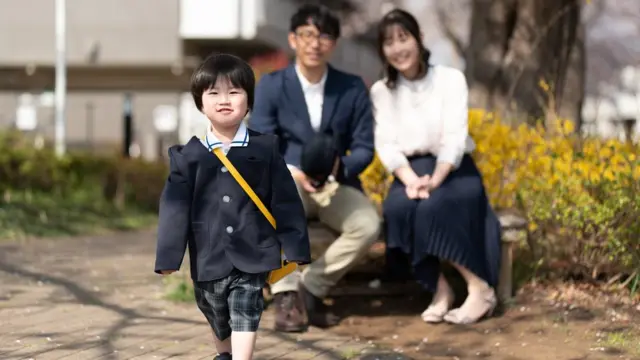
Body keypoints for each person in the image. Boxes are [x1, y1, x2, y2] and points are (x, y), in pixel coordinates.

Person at [154, 53, 311, 360]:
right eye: (213, 93)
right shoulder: (188, 156)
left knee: (246, 306)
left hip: (254, 250)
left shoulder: (265, 149)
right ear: (200, 103)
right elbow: (175, 209)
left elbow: (286, 201)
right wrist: (169, 256)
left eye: (234, 92)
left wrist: (296, 248)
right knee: (213, 308)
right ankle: (224, 354)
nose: (224, 100)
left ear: (248, 101)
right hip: (208, 253)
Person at [250, 4, 381, 332]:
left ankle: (312, 287)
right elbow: (262, 145)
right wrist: (291, 171)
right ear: (293, 39)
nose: (315, 43)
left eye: (324, 36)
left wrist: (339, 168)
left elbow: (365, 146)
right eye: (307, 34)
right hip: (288, 179)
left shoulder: (352, 87)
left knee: (367, 224)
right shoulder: (271, 86)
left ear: (333, 43)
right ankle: (285, 293)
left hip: (336, 184)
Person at [370, 9, 502, 325]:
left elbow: (455, 137)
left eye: (404, 38)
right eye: (389, 42)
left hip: (454, 168)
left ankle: (479, 288)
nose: (398, 48)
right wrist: (411, 180)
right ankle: (440, 289)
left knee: (433, 208)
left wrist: (436, 179)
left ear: (419, 39)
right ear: (382, 50)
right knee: (398, 208)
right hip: (410, 171)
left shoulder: (449, 79)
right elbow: (386, 144)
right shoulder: (381, 91)